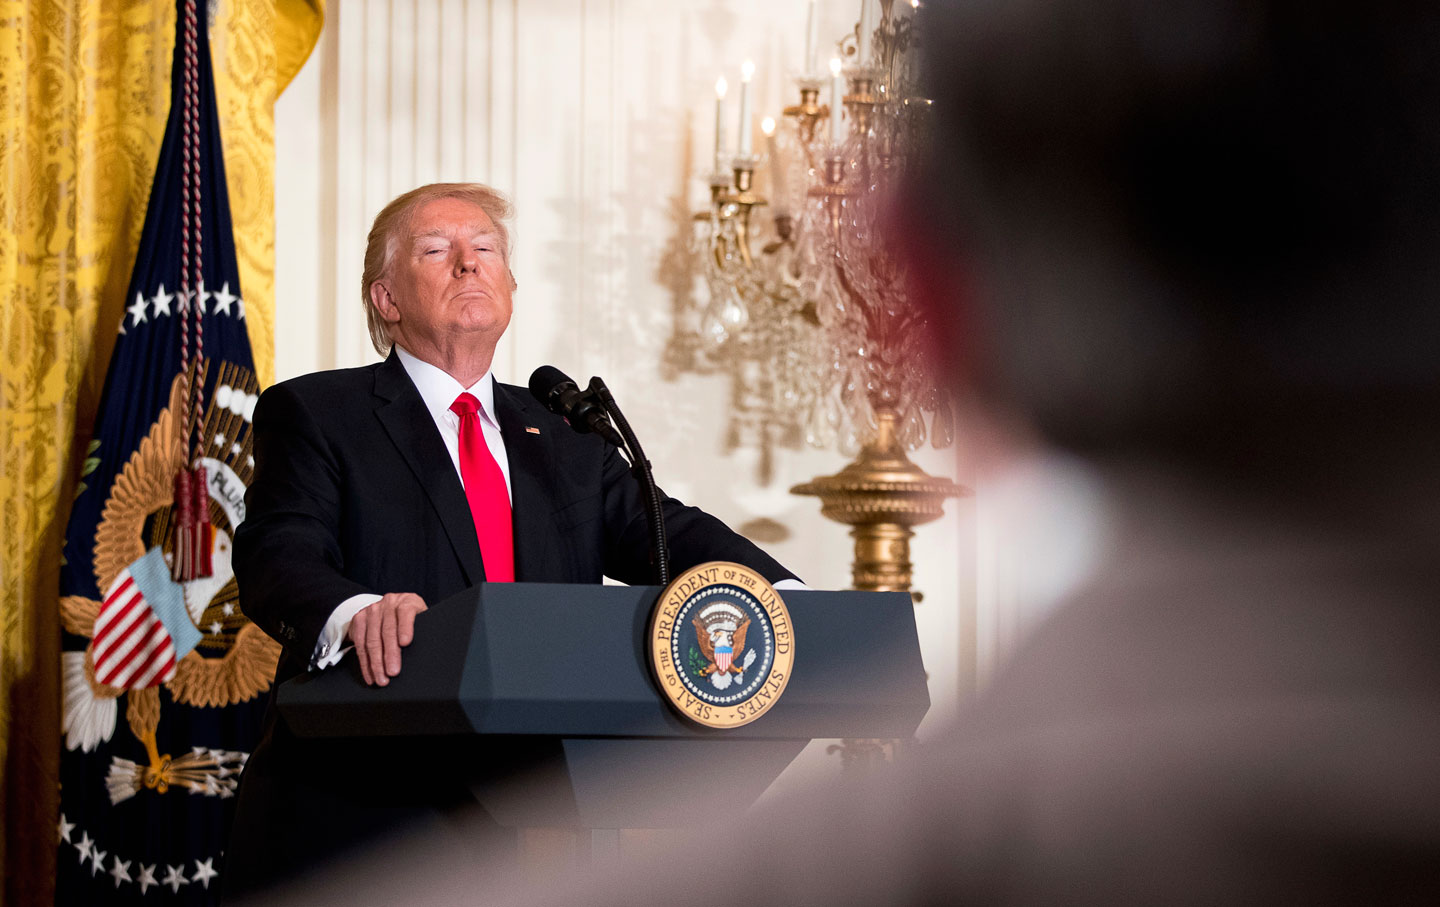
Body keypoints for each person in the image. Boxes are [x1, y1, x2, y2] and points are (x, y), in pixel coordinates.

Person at [223, 183, 801, 895]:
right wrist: (355, 613)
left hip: (543, 836)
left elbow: (665, 531)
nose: (470, 263)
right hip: (362, 830)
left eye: (486, 249)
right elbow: (277, 551)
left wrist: (790, 599)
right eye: (438, 250)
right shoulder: (317, 412)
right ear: (386, 299)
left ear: (511, 286)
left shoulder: (563, 432)